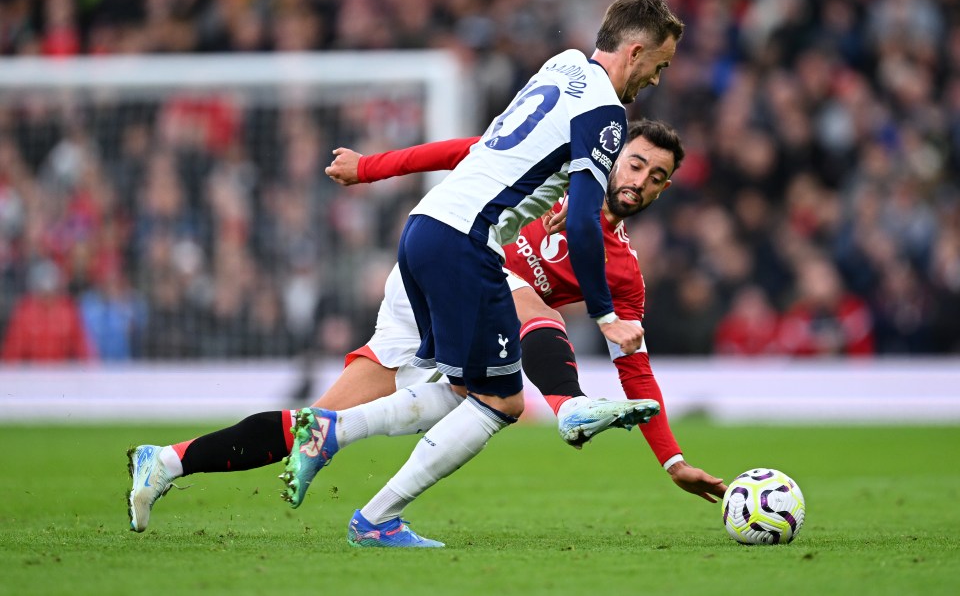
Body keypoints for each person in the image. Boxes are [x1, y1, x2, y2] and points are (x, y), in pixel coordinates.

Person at [127, 119, 726, 536]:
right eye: (636, 162)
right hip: (447, 269)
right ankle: (566, 406)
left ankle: (167, 462)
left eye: (655, 176)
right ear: (615, 154)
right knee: (508, 367)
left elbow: (636, 368)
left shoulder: (624, 273)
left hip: (451, 306)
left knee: (320, 423)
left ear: (664, 189)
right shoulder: (561, 165)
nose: (640, 180)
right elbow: (457, 152)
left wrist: (673, 463)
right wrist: (369, 169)